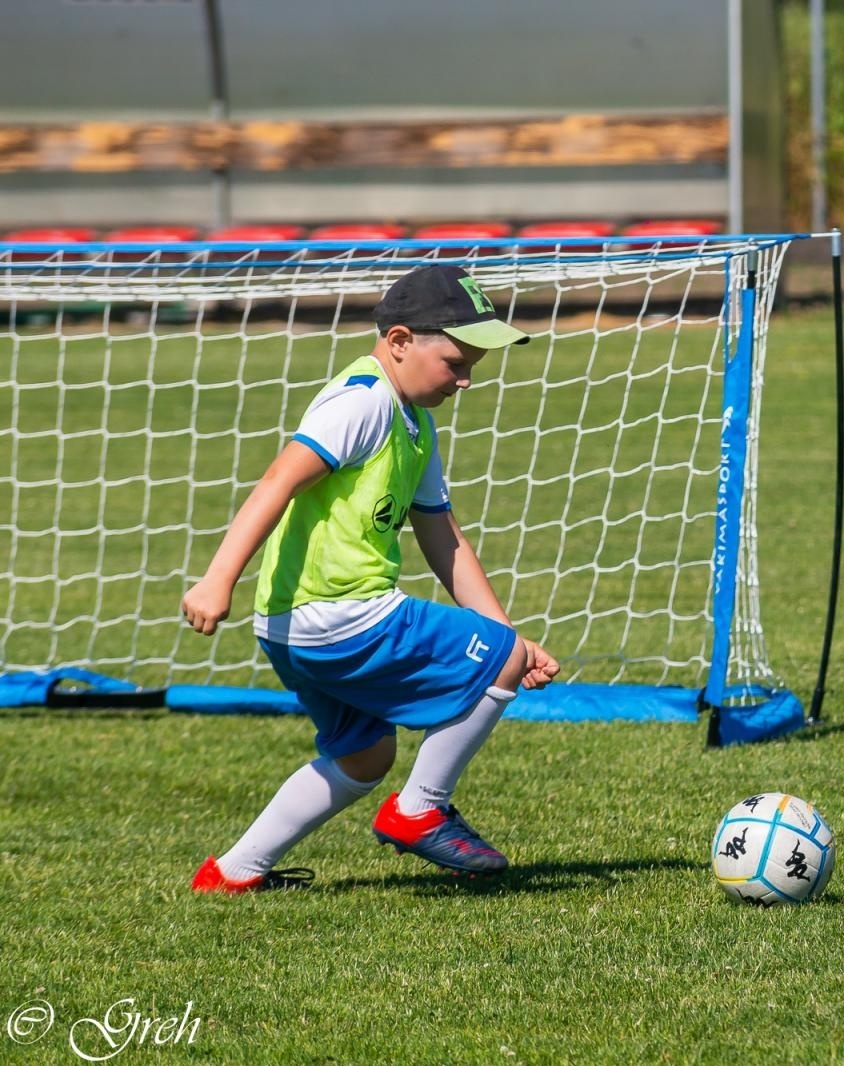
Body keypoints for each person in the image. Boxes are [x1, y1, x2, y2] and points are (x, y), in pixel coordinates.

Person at [182, 263, 560, 892]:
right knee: (493, 660)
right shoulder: (362, 402)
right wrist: (216, 577)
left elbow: (443, 537)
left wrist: (512, 644)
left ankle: (233, 872)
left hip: (289, 626)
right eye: (456, 362)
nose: (466, 380)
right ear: (401, 341)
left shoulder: (416, 421)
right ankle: (420, 810)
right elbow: (277, 481)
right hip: (339, 612)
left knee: (364, 756)